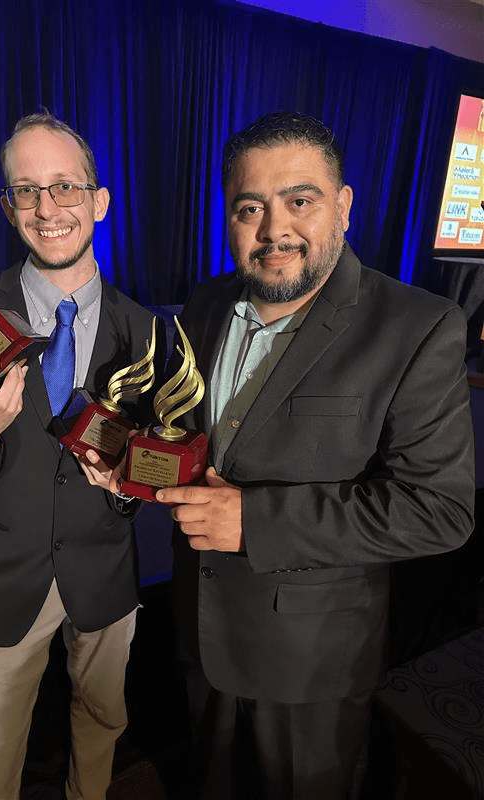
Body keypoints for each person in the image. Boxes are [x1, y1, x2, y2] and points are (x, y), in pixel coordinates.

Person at [155, 111, 475, 799]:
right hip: (199, 635)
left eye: (300, 200)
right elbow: (197, 435)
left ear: (344, 206)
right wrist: (131, 462)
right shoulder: (206, 303)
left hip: (311, 666)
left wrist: (257, 522)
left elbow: (440, 511)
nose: (275, 230)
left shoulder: (418, 327)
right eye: (250, 208)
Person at [0, 112, 164, 800]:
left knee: (103, 723)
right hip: (3, 577)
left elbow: (149, 463)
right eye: (26, 190)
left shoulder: (145, 331)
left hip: (104, 573)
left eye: (64, 187)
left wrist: (123, 484)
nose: (47, 209)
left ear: (99, 201)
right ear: (7, 205)